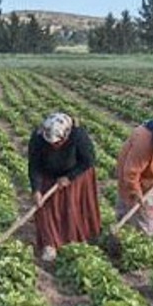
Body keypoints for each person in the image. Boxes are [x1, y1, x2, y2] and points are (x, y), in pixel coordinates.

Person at [27, 112, 101, 262]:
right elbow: (34, 165)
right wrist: (36, 189)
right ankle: (49, 244)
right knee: (45, 208)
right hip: (48, 173)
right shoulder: (38, 138)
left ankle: (77, 238)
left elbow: (88, 161)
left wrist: (69, 177)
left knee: (73, 207)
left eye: (57, 143)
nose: (53, 145)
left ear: (65, 135)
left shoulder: (78, 136)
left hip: (75, 173)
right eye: (51, 143)